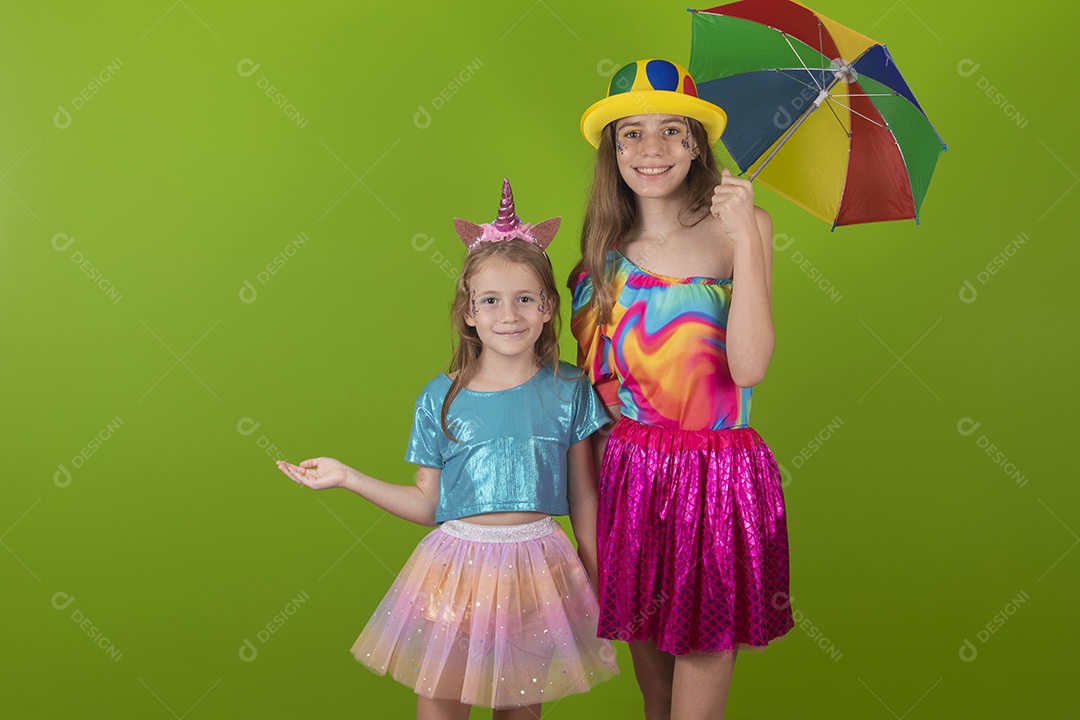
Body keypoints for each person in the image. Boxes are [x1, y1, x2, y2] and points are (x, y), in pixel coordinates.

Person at [277, 178, 618, 720]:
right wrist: (348, 477)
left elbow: (585, 500)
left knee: (519, 707)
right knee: (440, 702)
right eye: (491, 301)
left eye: (525, 298)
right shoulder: (442, 398)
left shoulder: (569, 389)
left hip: (537, 568)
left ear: (549, 307)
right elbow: (427, 505)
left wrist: (603, 580)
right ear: (469, 312)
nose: (509, 315)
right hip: (455, 570)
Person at [569, 59, 794, 720]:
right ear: (612, 151)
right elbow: (590, 405)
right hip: (630, 475)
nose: (652, 149)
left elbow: (749, 367)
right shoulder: (598, 257)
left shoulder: (742, 232)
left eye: (672, 130)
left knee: (702, 659)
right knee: (653, 684)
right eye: (630, 134)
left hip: (716, 475)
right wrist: (589, 527)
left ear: (697, 142)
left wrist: (747, 240)